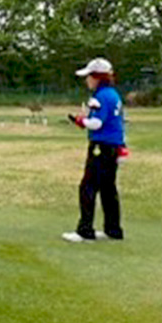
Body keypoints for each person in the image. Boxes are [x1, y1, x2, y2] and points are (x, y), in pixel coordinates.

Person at [62, 58, 127, 243]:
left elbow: (97, 123)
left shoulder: (100, 97)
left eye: (89, 76)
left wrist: (80, 121)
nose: (87, 81)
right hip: (114, 146)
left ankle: (85, 230)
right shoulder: (114, 95)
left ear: (98, 77)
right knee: (108, 188)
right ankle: (113, 229)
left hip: (101, 146)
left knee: (88, 186)